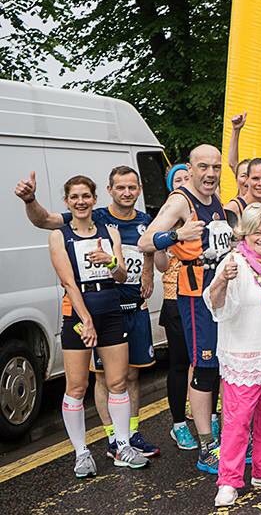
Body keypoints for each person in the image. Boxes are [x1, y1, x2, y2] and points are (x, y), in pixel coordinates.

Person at [15, 166, 159, 457]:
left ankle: (128, 437)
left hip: (127, 309)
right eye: (121, 187)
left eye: (132, 187)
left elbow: (144, 254)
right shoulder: (92, 219)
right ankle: (106, 442)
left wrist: (146, 270)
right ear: (107, 192)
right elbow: (44, 220)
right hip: (88, 312)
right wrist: (30, 200)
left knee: (128, 378)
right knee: (95, 381)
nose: (127, 193)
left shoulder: (142, 221)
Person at [140, 144, 233, 473]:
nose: (210, 173)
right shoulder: (181, 200)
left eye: (216, 167)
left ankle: (221, 437)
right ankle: (206, 446)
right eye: (203, 167)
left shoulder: (215, 199)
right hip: (195, 296)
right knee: (204, 368)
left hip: (221, 294)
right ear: (190, 170)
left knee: (221, 366)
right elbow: (146, 241)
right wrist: (176, 234)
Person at [48, 175, 147, 477]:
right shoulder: (59, 235)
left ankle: (122, 444)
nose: (80, 202)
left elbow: (119, 275)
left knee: (118, 381)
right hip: (79, 313)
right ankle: (81, 453)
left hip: (111, 309)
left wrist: (109, 260)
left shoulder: (109, 231)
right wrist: (86, 321)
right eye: (74, 197)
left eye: (86, 196)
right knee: (77, 386)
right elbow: (67, 281)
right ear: (67, 201)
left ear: (94, 199)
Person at [203, 202, 261, 507]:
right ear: (246, 233)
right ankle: (228, 480)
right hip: (244, 355)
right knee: (237, 419)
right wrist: (221, 280)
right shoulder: (233, 262)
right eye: (257, 232)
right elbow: (216, 306)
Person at [159, 164, 197, 450]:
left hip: (203, 297)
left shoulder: (202, 215)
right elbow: (160, 265)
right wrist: (170, 238)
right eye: (178, 181)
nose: (184, 183)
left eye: (187, 178)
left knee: (207, 363)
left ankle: (209, 416)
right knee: (180, 363)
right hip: (175, 297)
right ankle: (178, 423)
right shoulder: (167, 222)